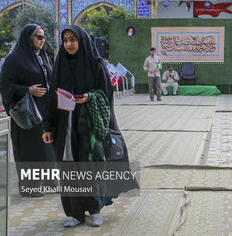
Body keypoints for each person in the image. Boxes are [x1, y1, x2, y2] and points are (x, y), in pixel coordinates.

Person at [42, 25, 137, 227]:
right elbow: (52, 96)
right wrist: (47, 127)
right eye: (65, 40)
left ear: (82, 41)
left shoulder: (96, 64)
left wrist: (89, 98)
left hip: (90, 126)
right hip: (65, 124)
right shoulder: (60, 64)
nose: (69, 44)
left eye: (73, 39)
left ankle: (94, 209)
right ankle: (75, 212)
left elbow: (107, 94)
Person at [0, 24, 55, 197]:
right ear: (28, 38)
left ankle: (48, 182)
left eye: (43, 37)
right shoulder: (15, 59)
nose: (42, 40)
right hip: (26, 114)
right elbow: (5, 84)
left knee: (45, 149)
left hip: (44, 111)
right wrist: (27, 90)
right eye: (38, 37)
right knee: (29, 150)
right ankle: (30, 187)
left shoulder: (44, 56)